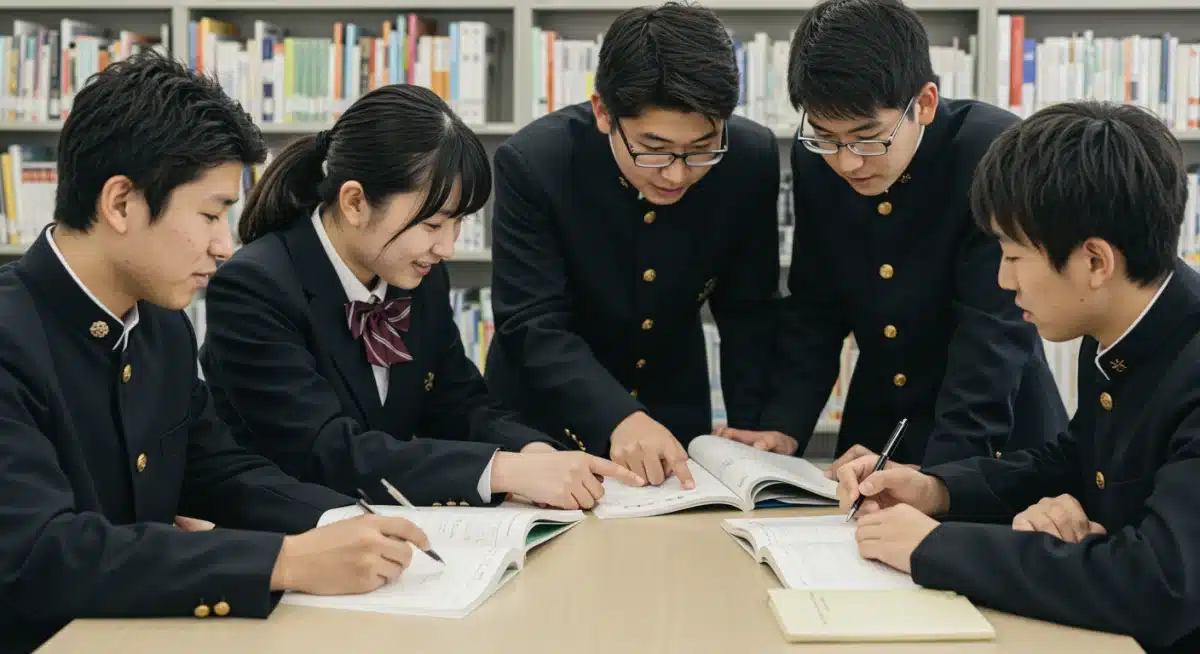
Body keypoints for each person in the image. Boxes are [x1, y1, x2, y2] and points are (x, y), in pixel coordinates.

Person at [0, 51, 438, 654]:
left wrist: (344, 524)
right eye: (210, 214)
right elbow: (43, 555)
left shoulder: (161, 326)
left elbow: (217, 471)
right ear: (121, 203)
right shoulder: (10, 337)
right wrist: (281, 561)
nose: (224, 246)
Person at [835, 101, 1200, 653]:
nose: (1003, 281)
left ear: (1095, 262)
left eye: (1012, 256)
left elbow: (1158, 582)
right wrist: (936, 491)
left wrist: (934, 549)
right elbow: (1074, 458)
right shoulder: (1117, 324)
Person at [198, 84, 644, 513]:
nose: (446, 247)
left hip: (390, 533)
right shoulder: (254, 289)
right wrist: (505, 472)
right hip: (291, 544)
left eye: (458, 224)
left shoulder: (418, 277)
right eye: (432, 226)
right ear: (354, 202)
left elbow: (458, 402)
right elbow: (324, 452)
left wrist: (534, 451)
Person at [715, 0, 1067, 471]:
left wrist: (943, 479)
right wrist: (784, 425)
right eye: (825, 136)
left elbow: (992, 334)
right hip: (877, 427)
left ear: (923, 103)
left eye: (868, 137)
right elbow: (816, 306)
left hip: (994, 433)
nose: (847, 162)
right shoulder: (816, 161)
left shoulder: (993, 150)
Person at [485, 2, 781, 488]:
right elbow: (531, 322)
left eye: (703, 148)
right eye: (654, 147)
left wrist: (755, 435)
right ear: (604, 111)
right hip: (543, 421)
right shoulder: (535, 162)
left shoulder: (750, 158)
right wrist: (619, 416)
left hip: (673, 414)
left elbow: (749, 311)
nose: (677, 173)